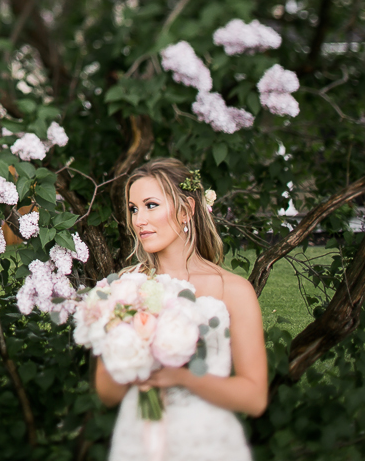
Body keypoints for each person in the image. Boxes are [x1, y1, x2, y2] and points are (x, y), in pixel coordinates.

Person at [94, 158, 267, 461]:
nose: (138, 220)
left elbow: (254, 398)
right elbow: (108, 394)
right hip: (137, 440)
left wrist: (183, 378)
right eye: (133, 209)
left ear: (186, 209)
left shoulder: (235, 291)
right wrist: (123, 343)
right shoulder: (124, 287)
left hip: (207, 444)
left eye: (150, 205)